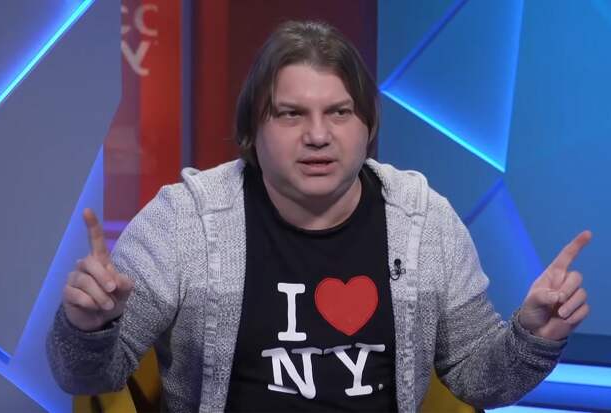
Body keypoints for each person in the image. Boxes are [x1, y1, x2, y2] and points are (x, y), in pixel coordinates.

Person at [47, 20, 592, 412]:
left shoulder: (424, 220)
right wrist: (88, 328)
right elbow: (86, 376)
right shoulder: (184, 220)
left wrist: (532, 337)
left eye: (339, 112)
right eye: (290, 114)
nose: (317, 135)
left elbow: (477, 379)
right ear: (252, 131)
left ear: (367, 126)